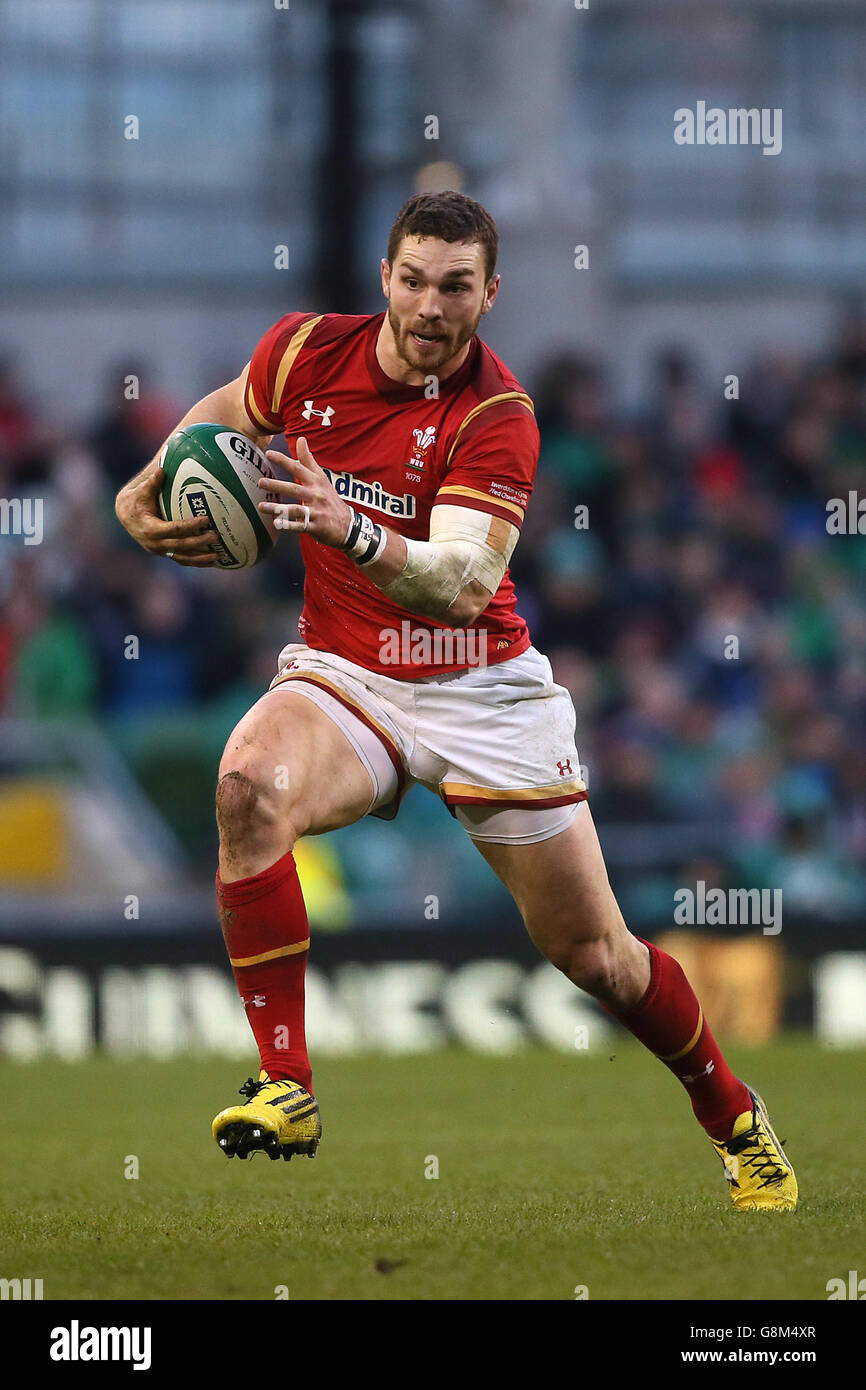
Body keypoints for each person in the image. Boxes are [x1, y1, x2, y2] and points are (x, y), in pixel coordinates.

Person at [114, 192, 796, 1210]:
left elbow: (462, 583)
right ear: (384, 276)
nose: (430, 305)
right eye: (414, 279)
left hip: (480, 688)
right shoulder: (303, 353)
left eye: (455, 286)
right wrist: (142, 490)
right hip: (349, 674)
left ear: (489, 294)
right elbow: (216, 419)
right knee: (248, 784)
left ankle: (733, 1117)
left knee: (597, 957)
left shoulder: (496, 417)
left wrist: (347, 531)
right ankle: (287, 1083)